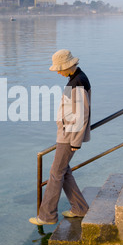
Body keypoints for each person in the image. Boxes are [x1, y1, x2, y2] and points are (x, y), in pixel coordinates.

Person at [29, 49, 91, 226]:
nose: (57, 72)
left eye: (59, 68)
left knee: (56, 174)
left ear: (68, 66)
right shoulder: (75, 78)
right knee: (64, 172)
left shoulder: (77, 82)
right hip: (67, 134)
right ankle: (80, 208)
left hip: (69, 136)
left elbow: (82, 115)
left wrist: (76, 142)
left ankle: (47, 216)